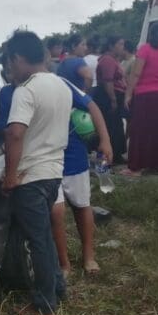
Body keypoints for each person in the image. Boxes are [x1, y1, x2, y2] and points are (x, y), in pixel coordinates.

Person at [2, 30, 72, 315]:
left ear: (18, 58)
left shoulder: (26, 90)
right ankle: (57, 287)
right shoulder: (61, 86)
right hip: (54, 172)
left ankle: (45, 306)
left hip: (30, 176)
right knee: (43, 234)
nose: (9, 70)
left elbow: (15, 133)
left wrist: (9, 176)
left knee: (37, 240)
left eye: (9, 63)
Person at [52, 78, 113, 277]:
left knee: (81, 204)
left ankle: (88, 256)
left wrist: (105, 140)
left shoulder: (61, 83)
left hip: (73, 155)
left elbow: (91, 106)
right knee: (56, 212)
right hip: (44, 160)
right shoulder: (17, 90)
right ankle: (63, 264)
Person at [124, 22, 158, 175]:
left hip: (144, 95)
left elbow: (136, 74)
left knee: (140, 130)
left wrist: (128, 94)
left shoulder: (144, 49)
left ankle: (135, 167)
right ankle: (155, 164)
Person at [94, 36, 128, 163]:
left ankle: (116, 155)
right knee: (109, 126)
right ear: (111, 46)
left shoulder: (113, 60)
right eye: (119, 44)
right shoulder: (107, 60)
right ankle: (106, 159)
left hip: (114, 95)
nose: (122, 47)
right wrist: (113, 99)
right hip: (107, 96)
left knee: (116, 126)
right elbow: (108, 81)